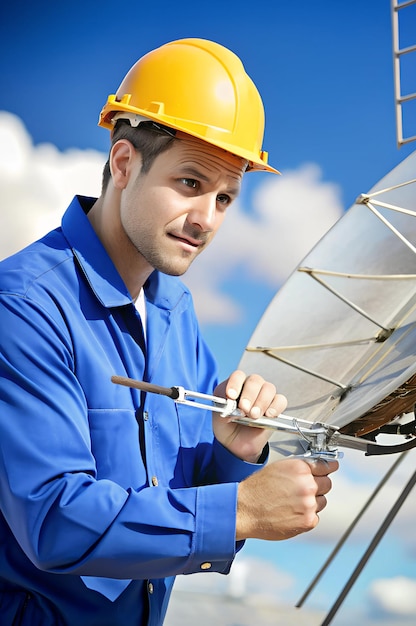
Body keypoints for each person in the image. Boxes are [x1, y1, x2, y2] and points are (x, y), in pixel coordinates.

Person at [0, 38, 339, 625]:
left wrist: (236, 452)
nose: (207, 219)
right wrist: (241, 510)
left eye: (226, 197)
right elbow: (53, 518)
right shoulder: (24, 306)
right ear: (125, 163)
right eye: (190, 183)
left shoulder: (175, 311)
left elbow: (181, 482)